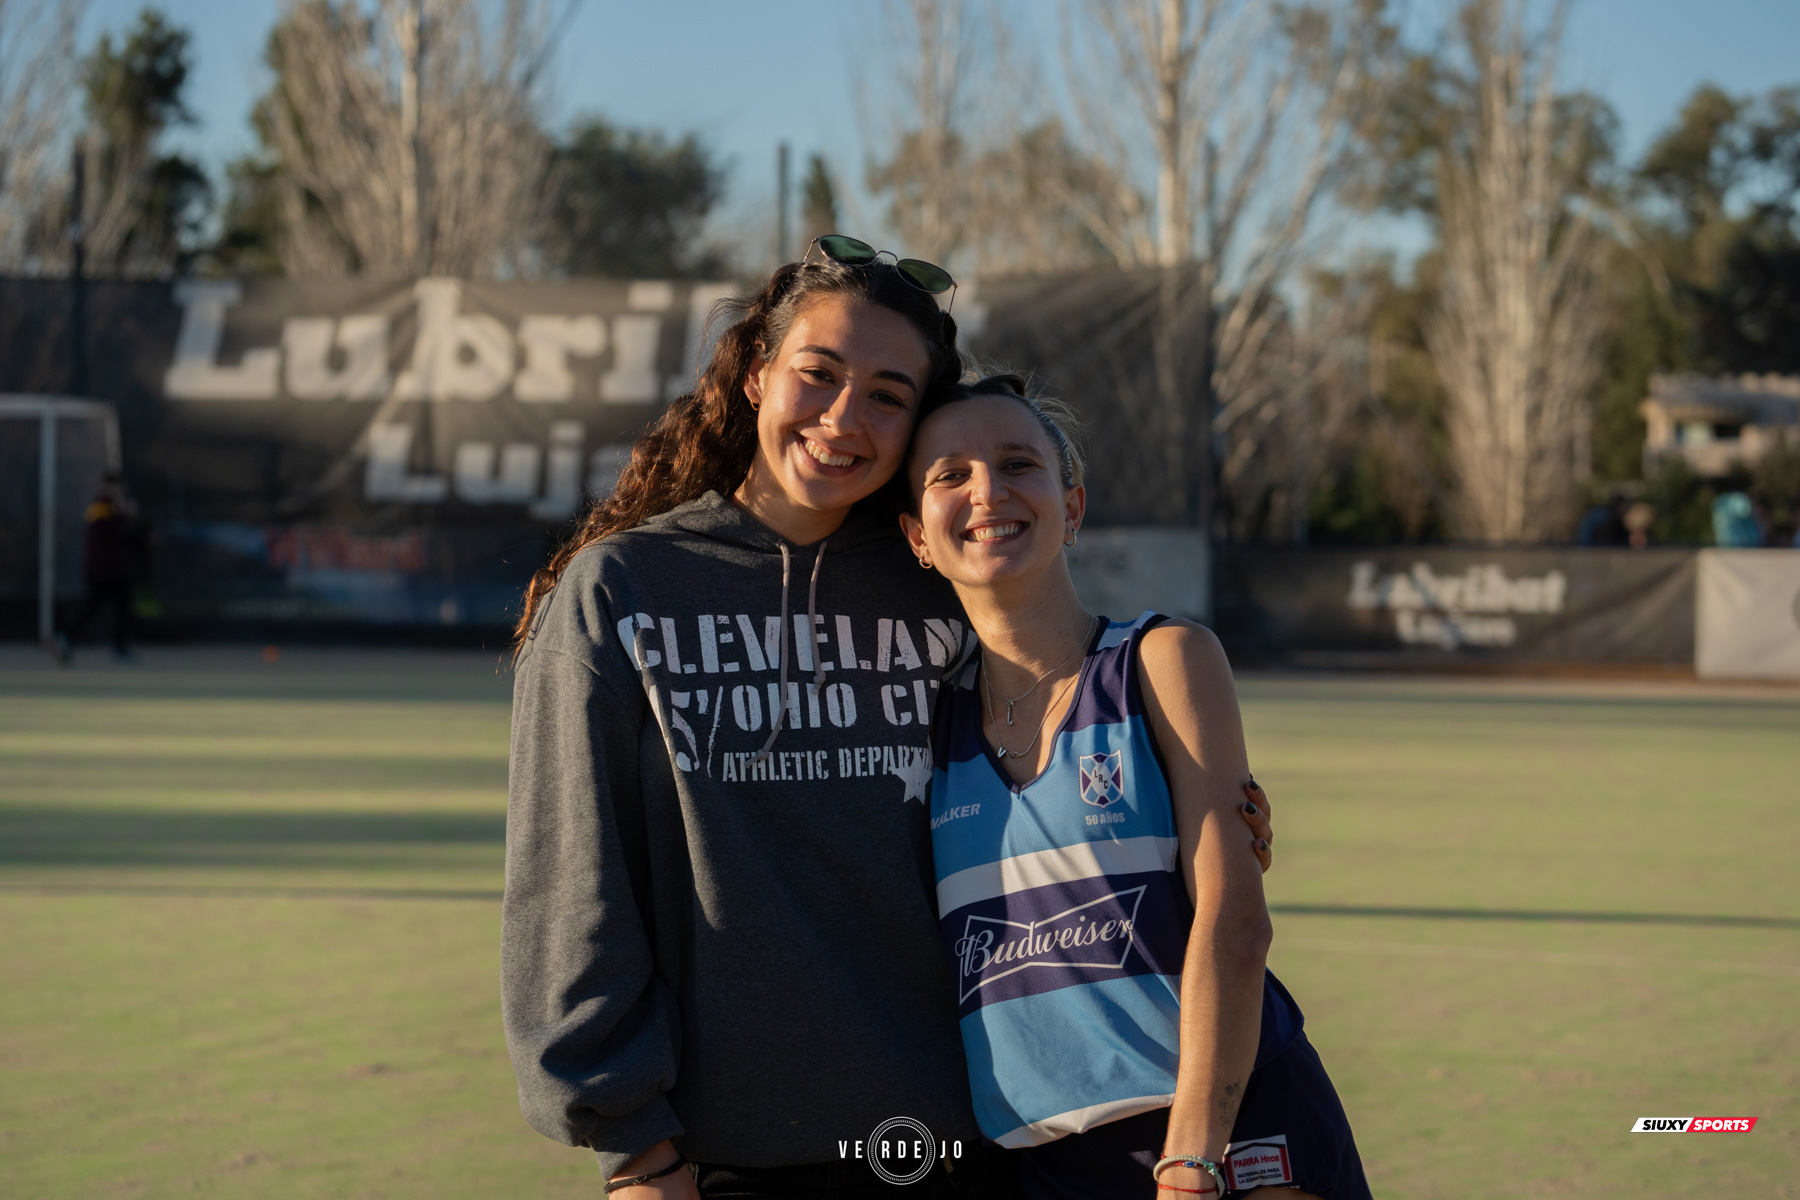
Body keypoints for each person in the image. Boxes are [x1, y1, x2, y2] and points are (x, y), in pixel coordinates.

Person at [502, 240, 1276, 1200]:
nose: (841, 419)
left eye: (886, 395)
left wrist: (1200, 799)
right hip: (723, 1155)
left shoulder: (938, 576)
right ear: (755, 378)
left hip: (959, 1147)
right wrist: (634, 1151)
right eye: (818, 376)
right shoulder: (623, 591)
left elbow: (1053, 736)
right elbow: (571, 883)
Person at [900, 375, 1368, 1200]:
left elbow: (1237, 922)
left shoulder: (1161, 661)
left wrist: (1192, 1158)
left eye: (1018, 464)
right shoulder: (921, 731)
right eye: (950, 474)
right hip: (1040, 1162)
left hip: (1230, 1132)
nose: (988, 491)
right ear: (916, 536)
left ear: (1072, 507)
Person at [55, 472, 136, 662]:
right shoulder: (102, 506)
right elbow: (105, 530)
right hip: (103, 568)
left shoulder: (109, 506)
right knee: (101, 606)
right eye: (117, 487)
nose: (120, 491)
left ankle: (70, 638)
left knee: (106, 605)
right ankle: (115, 649)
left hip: (107, 567)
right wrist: (124, 515)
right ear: (109, 487)